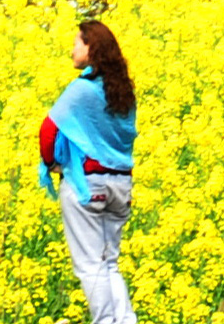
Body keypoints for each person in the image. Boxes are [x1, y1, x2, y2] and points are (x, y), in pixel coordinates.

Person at [38, 20, 139, 324]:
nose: (72, 50)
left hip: (87, 185)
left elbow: (48, 130)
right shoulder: (123, 92)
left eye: (77, 44)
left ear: (91, 49)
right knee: (109, 263)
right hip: (120, 185)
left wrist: (51, 163)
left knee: (90, 265)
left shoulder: (81, 89)